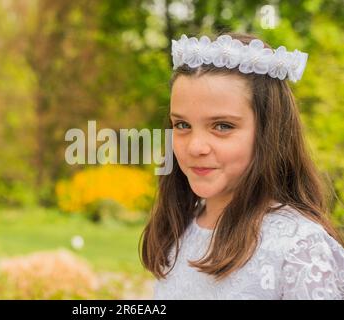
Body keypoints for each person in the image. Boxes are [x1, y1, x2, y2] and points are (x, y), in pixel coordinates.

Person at [140, 32, 344, 299]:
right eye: (182, 125)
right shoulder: (181, 227)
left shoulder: (298, 247)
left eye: (222, 126)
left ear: (269, 133)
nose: (195, 147)